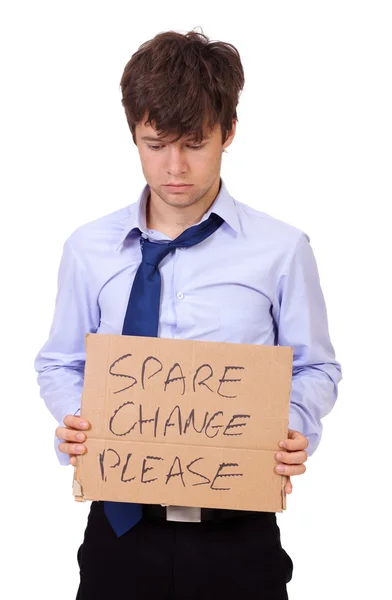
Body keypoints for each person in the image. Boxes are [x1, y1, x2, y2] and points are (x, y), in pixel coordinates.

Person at [35, 28, 342, 600]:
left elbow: (316, 368)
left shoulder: (281, 250)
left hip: (239, 536)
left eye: (195, 143)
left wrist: (292, 425)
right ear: (133, 133)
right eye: (155, 143)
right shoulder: (88, 248)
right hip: (120, 533)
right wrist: (81, 417)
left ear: (228, 133)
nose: (174, 166)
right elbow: (59, 361)